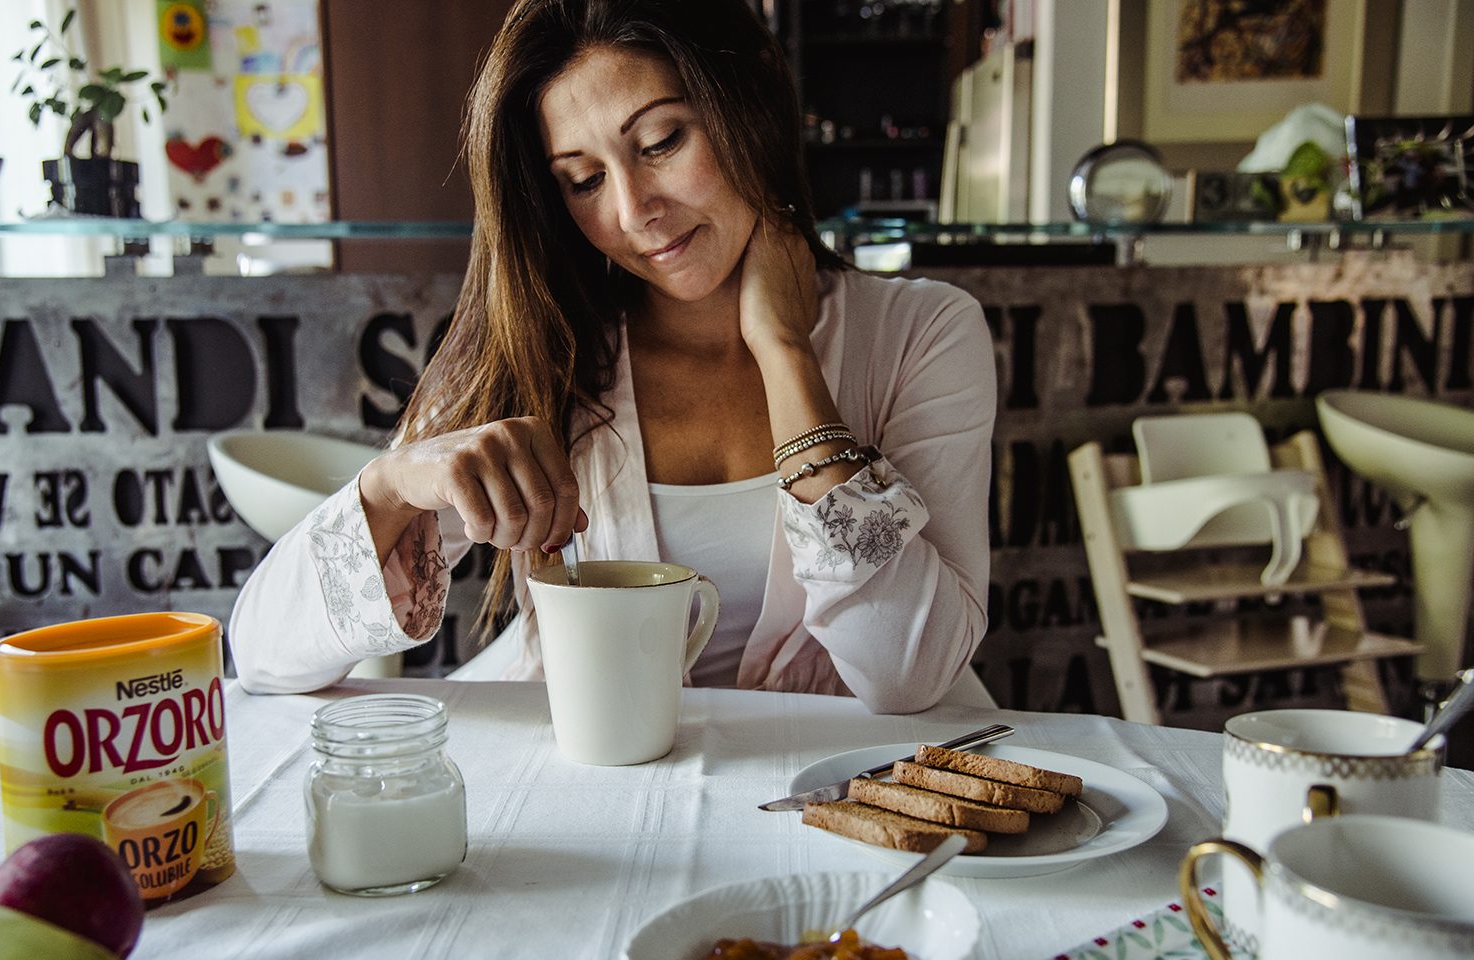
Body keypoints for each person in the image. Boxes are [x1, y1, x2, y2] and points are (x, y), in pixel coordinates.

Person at [229, 0, 995, 713]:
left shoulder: (922, 333)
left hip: (838, 804)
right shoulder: (535, 350)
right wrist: (396, 485)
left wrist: (786, 354)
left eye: (662, 141)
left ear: (750, 103)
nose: (634, 211)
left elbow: (912, 675)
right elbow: (263, 656)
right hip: (594, 795)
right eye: (585, 180)